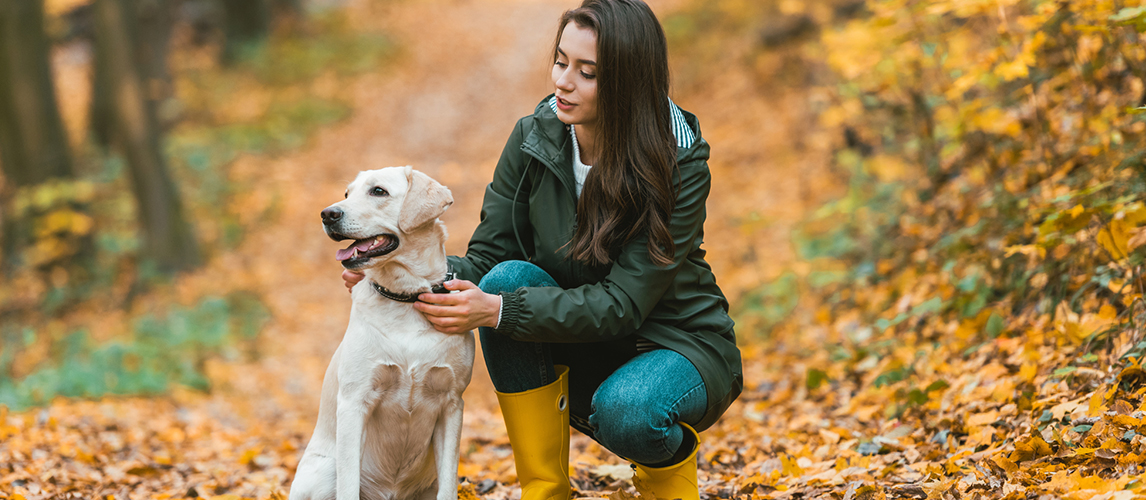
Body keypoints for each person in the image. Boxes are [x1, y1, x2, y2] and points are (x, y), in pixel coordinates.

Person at [344, 1, 742, 499]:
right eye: (561, 62)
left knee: (629, 411)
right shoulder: (534, 138)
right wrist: (396, 269)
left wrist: (498, 311)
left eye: (588, 72)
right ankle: (545, 490)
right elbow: (488, 258)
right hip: (578, 336)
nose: (564, 82)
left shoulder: (675, 161)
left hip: (675, 342)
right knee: (506, 279)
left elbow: (624, 303)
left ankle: (669, 476)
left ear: (629, 82)